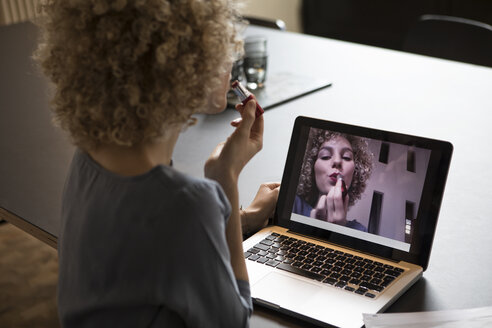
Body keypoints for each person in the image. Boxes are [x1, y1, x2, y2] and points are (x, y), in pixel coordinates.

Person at [34, 0, 279, 327]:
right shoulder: (186, 205)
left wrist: (243, 218)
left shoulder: (87, 160)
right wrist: (226, 180)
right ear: (182, 65)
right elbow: (233, 320)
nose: (232, 57)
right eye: (220, 43)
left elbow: (165, 243)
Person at [293, 128, 373, 231]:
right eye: (325, 156)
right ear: (311, 168)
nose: (337, 161)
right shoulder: (294, 206)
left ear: (356, 173)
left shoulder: (360, 231)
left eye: (347, 157)